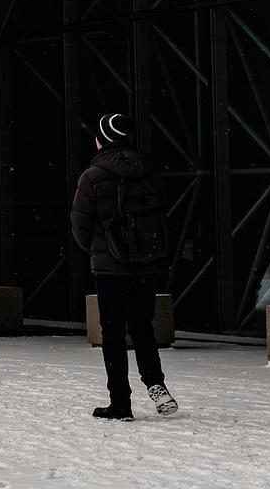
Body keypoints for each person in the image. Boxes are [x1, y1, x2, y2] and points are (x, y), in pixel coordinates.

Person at [70, 113, 177, 421]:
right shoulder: (148, 169)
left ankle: (120, 402)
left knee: (113, 334)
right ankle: (156, 386)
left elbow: (79, 224)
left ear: (102, 139)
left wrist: (98, 250)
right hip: (146, 264)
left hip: (110, 268)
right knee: (143, 327)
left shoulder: (92, 176)